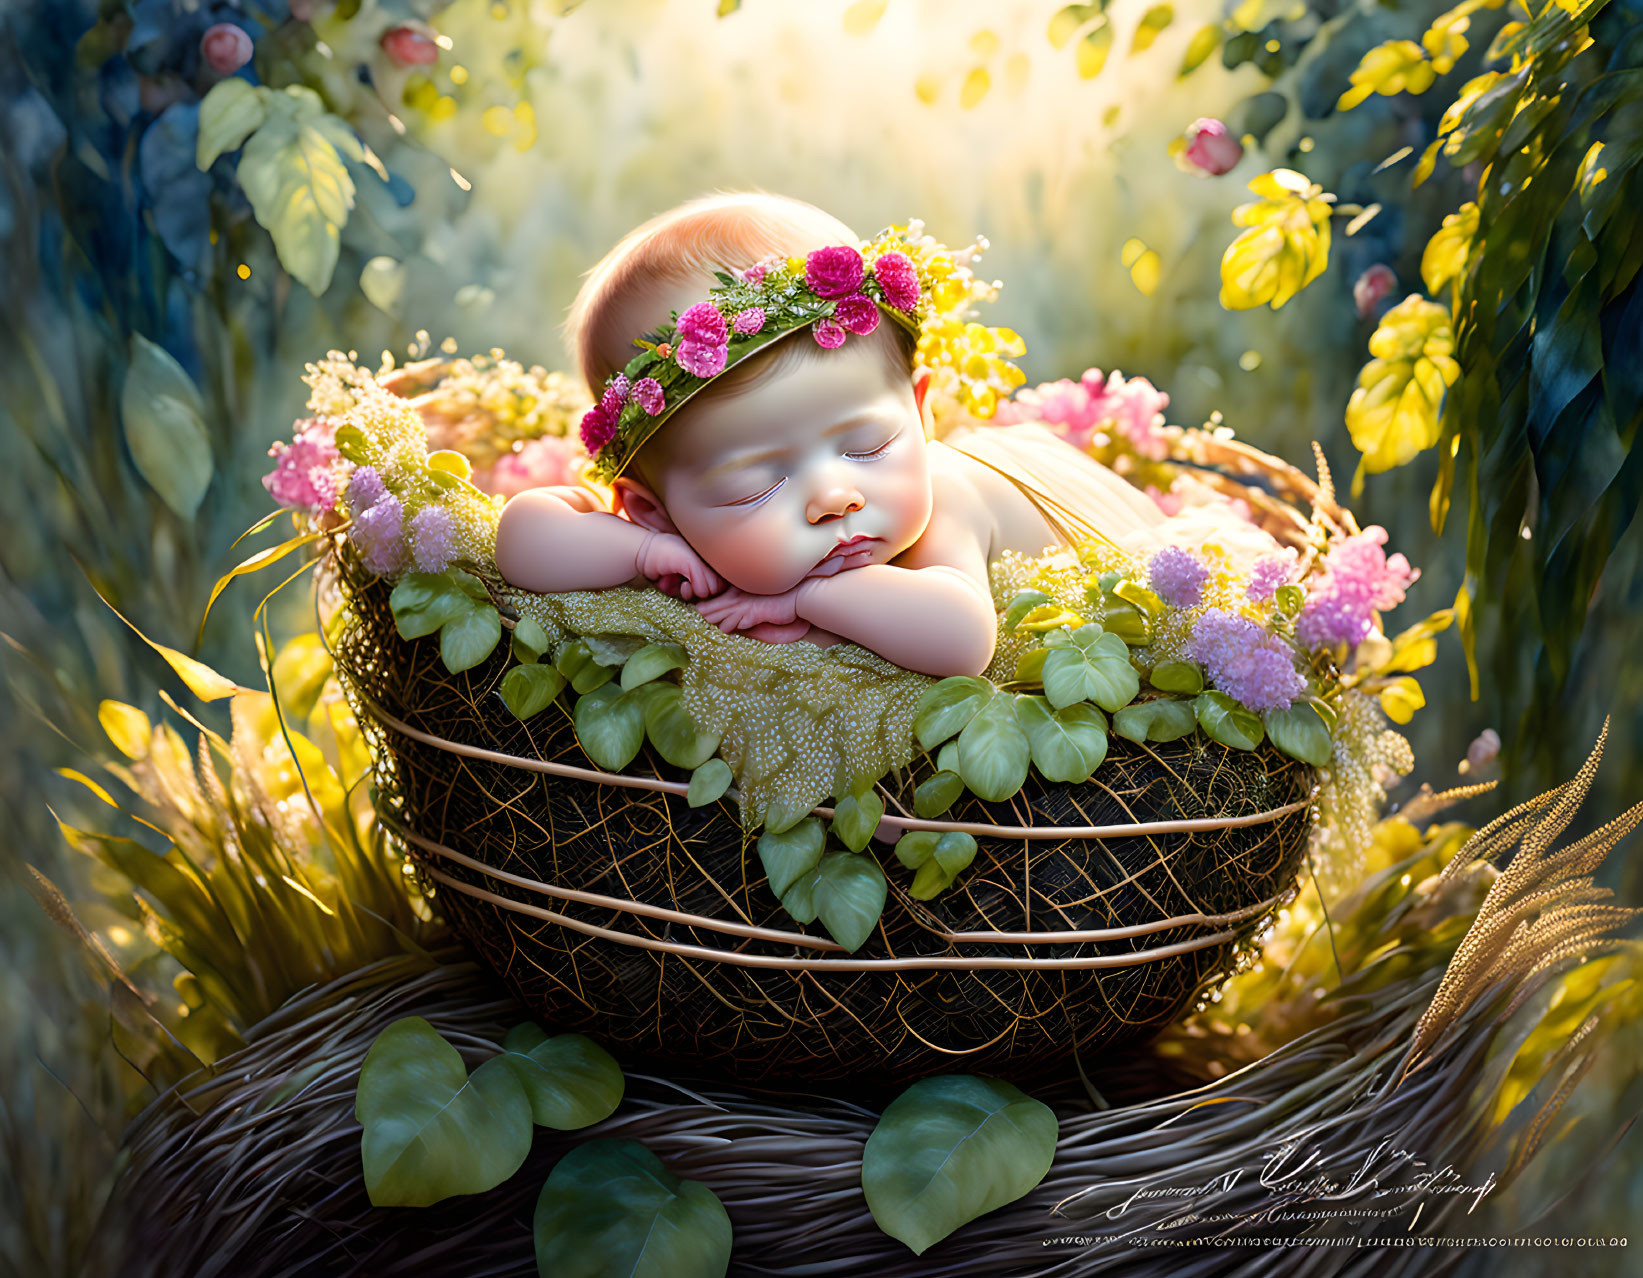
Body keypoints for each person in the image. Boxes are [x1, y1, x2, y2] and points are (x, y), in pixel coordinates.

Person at [495, 191, 1223, 677]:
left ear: (921, 410)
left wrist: (799, 601)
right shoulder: (678, 533)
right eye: (756, 484)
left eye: (868, 446)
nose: (834, 496)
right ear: (655, 506)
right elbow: (523, 541)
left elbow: (962, 637)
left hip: (1105, 546)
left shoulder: (939, 500)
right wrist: (649, 550)